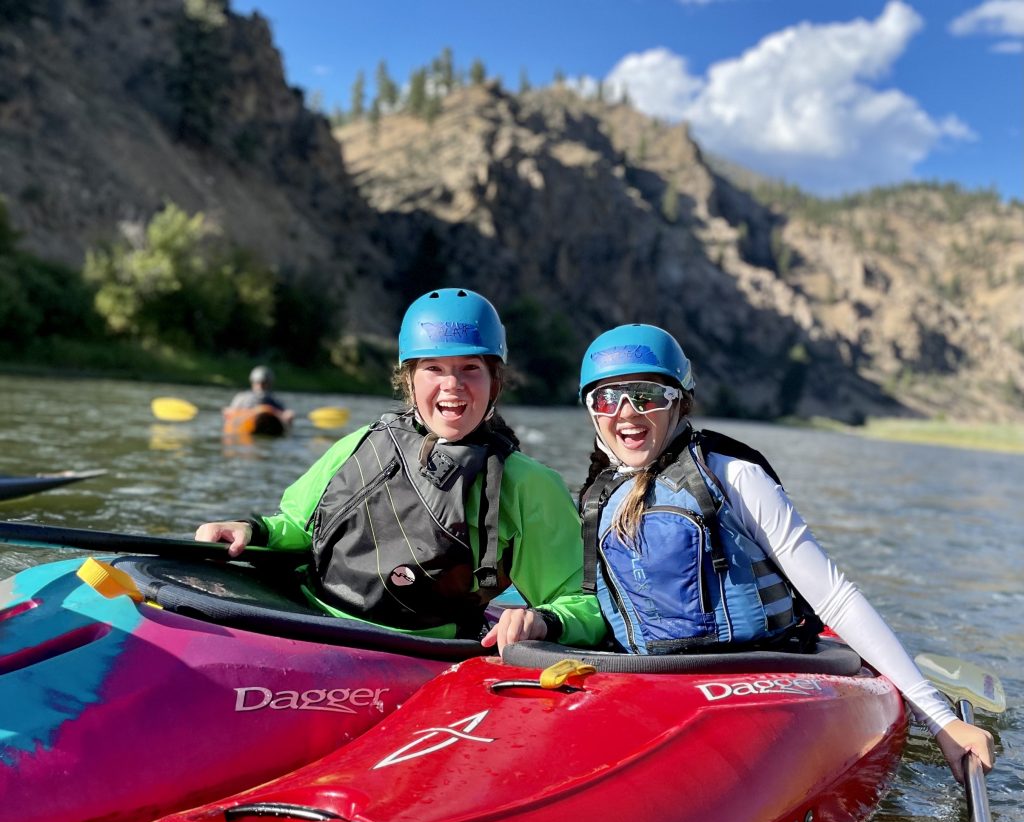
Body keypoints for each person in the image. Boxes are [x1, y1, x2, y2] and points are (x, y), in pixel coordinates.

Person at [574, 322, 994, 783]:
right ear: (592, 411)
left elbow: (833, 596)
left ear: (680, 400)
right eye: (606, 399)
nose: (626, 412)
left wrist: (939, 719)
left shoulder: (733, 477)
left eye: (646, 394)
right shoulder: (600, 497)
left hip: (757, 674)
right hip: (656, 681)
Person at [196, 288, 604, 652]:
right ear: (409, 381)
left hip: (420, 655)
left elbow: (582, 603)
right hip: (309, 623)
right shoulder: (359, 445)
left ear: (495, 382)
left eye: (470, 369)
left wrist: (546, 621)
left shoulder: (527, 484)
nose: (452, 385)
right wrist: (252, 530)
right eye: (433, 368)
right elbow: (300, 529)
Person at [225, 366, 295, 425]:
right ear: (252, 382)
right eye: (258, 383)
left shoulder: (274, 399)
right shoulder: (242, 397)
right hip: (246, 420)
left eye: (264, 383)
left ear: (269, 383)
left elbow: (287, 414)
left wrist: (287, 415)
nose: (260, 386)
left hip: (271, 421)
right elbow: (229, 411)